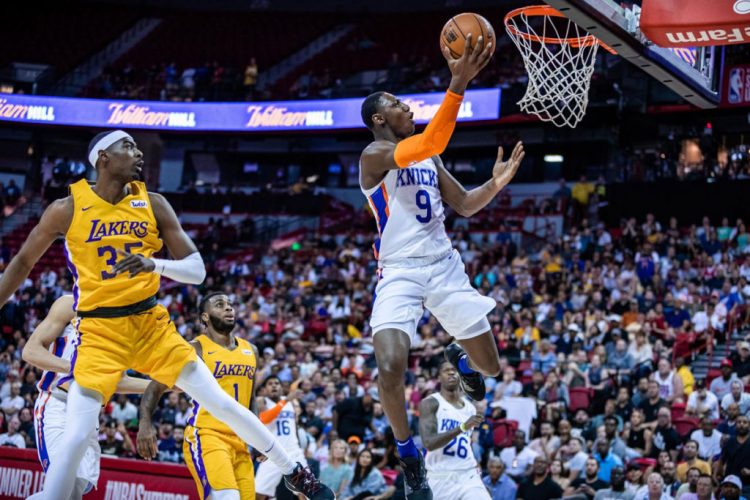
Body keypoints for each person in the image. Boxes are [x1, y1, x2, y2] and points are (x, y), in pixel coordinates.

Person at [0, 130, 332, 500]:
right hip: (100, 332)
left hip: (150, 325)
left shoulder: (154, 203)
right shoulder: (66, 208)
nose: (139, 153)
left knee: (221, 403)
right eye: (128, 146)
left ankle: (295, 472)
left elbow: (197, 270)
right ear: (103, 158)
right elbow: (23, 261)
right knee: (76, 437)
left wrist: (154, 264)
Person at [358, 31, 517, 499]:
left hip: (444, 264)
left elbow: (464, 204)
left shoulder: (430, 156)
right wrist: (457, 83)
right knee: (390, 364)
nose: (408, 108)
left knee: (490, 369)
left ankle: (461, 360)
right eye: (398, 105)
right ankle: (408, 455)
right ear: (380, 119)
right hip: (400, 270)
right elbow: (428, 142)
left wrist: (495, 184)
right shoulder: (374, 156)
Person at [23, 294, 149, 500]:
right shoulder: (70, 304)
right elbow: (30, 351)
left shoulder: (122, 323)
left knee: (74, 490)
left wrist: (164, 386)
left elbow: (118, 381)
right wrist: (75, 369)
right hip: (57, 404)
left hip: (89, 414)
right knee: (66, 486)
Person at [137, 292, 261, 500]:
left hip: (241, 441)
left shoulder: (252, 350)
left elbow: (251, 398)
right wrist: (145, 423)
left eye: (230, 304)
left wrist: (258, 436)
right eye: (220, 305)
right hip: (207, 435)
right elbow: (155, 387)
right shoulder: (193, 349)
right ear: (205, 317)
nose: (228, 308)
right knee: (227, 497)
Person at [419, 361, 488, 500]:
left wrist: (476, 463)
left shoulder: (470, 408)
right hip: (440, 476)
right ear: (439, 377)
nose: (451, 372)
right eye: (447, 370)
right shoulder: (431, 403)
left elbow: (465, 442)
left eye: (455, 370)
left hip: (468, 474)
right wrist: (462, 427)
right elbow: (429, 443)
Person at [255, 376, 312, 500]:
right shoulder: (262, 401)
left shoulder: (290, 402)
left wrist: (302, 447)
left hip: (293, 451)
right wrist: (285, 400)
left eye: (276, 383)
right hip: (273, 453)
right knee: (258, 494)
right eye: (270, 383)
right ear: (264, 389)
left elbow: (294, 427)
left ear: (281, 387)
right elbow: (265, 418)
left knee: (306, 492)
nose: (274, 385)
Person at [717, 415, 750, 493]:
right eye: (739, 422)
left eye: (745, 422)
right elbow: (722, 460)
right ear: (735, 425)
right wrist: (719, 474)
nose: (741, 424)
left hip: (748, 484)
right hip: (731, 482)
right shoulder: (729, 441)